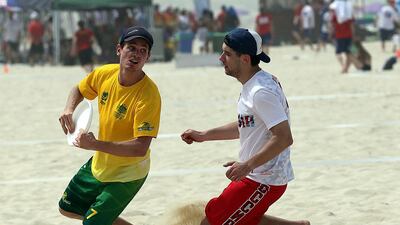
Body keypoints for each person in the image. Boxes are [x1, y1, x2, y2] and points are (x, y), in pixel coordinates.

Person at [181, 28, 309, 225]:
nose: (221, 58)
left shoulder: (260, 91)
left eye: (227, 54)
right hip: (258, 173)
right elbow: (247, 124)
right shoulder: (254, 84)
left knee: (211, 222)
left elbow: (284, 137)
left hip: (263, 180)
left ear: (245, 59)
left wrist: (247, 165)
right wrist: (203, 135)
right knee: (247, 219)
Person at [58, 26, 161, 225]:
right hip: (100, 163)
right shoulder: (105, 74)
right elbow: (78, 89)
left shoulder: (149, 95)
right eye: (131, 48)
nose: (136, 55)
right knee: (67, 208)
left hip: (128, 173)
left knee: (92, 223)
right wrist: (69, 109)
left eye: (143, 51)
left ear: (147, 58)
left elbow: (140, 147)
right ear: (119, 50)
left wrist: (95, 145)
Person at [330, 3, 355, 73]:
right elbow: (352, 26)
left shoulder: (335, 14)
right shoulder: (349, 13)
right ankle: (346, 68)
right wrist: (353, 35)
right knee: (348, 52)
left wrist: (331, 34)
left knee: (338, 52)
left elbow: (332, 25)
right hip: (349, 35)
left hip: (339, 35)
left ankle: (343, 66)